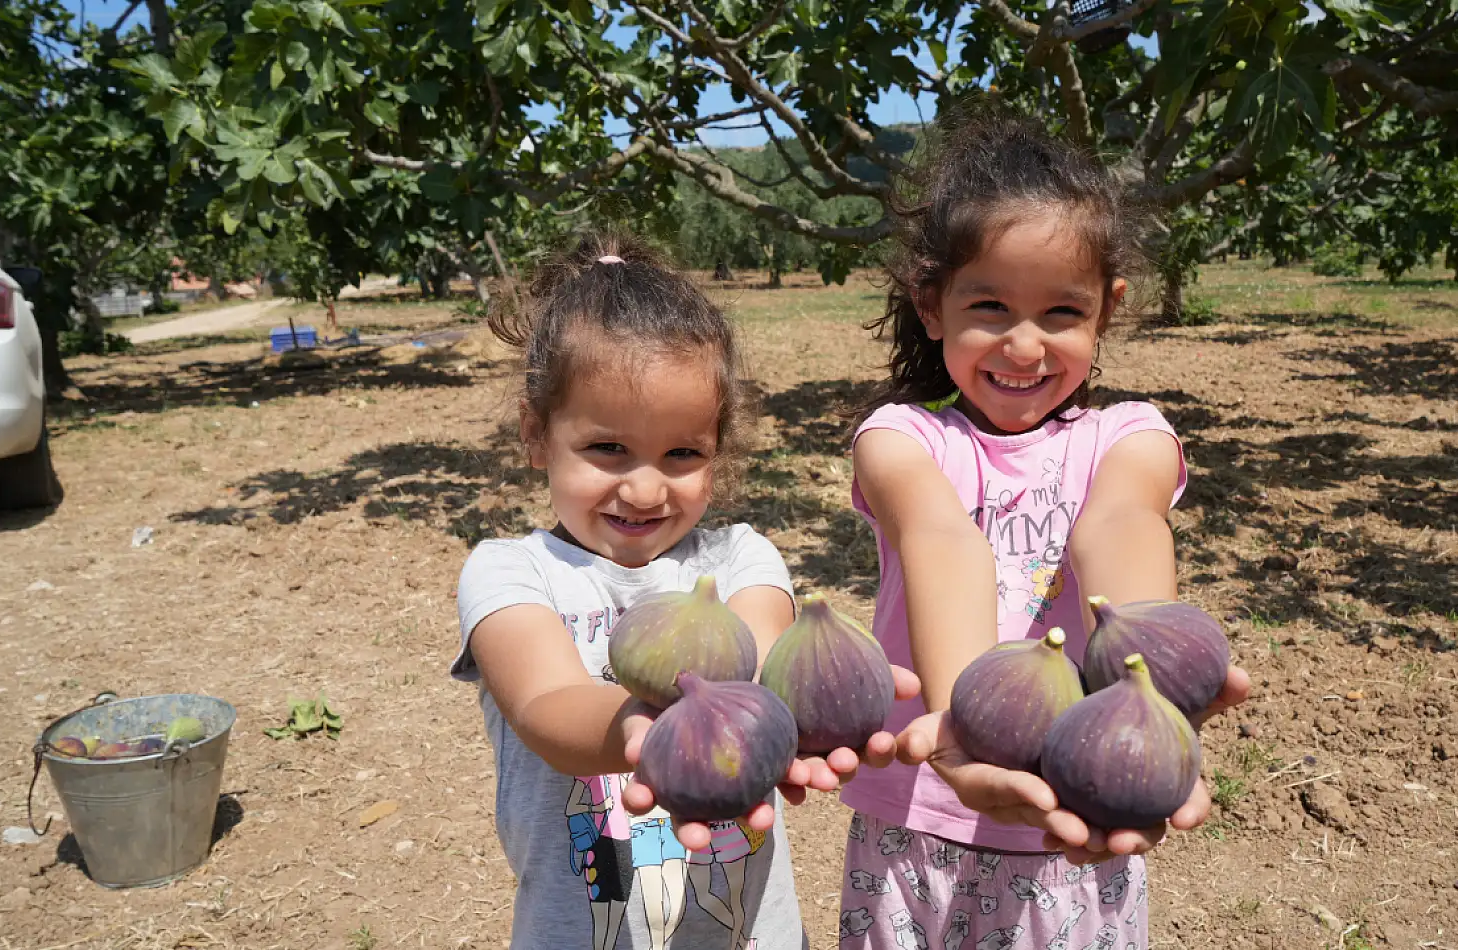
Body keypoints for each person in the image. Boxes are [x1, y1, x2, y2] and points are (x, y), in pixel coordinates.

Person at [839, 105, 1252, 949]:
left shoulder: (1128, 436)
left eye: (1061, 313)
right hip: (921, 818)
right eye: (989, 305)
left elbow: (1121, 525)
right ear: (932, 306)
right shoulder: (903, 438)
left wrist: (1146, 698)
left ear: (1108, 309)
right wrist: (966, 724)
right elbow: (939, 538)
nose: (1024, 346)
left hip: (1078, 813)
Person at [450, 230, 915, 950]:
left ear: (716, 449)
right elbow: (545, 705)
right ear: (536, 434)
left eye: (681, 454)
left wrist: (831, 693)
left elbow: (758, 672)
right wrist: (646, 730)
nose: (643, 487)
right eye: (608, 448)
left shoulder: (737, 560)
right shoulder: (509, 570)